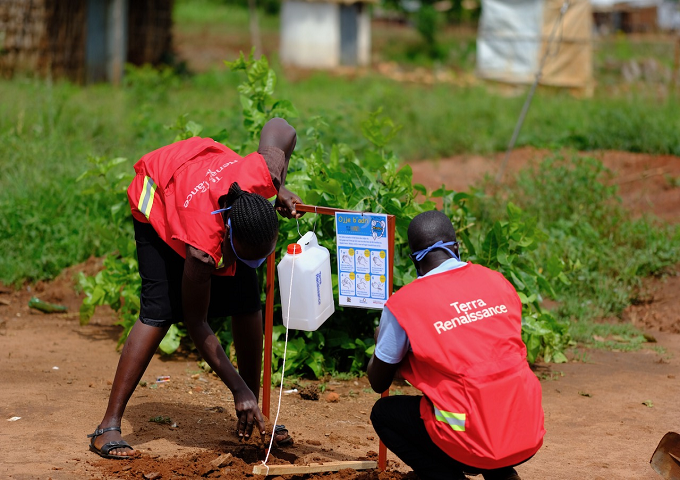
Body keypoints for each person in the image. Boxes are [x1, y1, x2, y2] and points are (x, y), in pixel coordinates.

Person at [88, 118, 301, 459]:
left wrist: (278, 188)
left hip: (201, 171)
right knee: (159, 311)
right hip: (158, 191)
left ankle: (252, 415)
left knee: (247, 302)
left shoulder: (262, 179)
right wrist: (237, 387)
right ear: (229, 237)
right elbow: (196, 322)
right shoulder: (203, 251)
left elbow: (282, 127)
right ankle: (107, 426)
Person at [367, 210, 544, 480]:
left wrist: (384, 342)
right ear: (457, 248)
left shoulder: (405, 304)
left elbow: (378, 382)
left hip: (468, 438)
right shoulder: (497, 281)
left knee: (384, 414)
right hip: (526, 428)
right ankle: (502, 474)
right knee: (484, 393)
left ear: (414, 258)